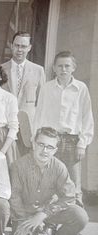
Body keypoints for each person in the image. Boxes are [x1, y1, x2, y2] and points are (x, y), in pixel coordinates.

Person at [10, 127, 89, 235]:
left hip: (47, 212)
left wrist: (42, 215)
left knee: (80, 216)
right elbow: (14, 198)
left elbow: (70, 196)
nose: (44, 150)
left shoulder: (59, 167)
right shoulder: (18, 166)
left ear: (55, 150)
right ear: (34, 144)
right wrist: (25, 223)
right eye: (41, 145)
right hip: (24, 215)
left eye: (50, 147)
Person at [34, 51, 94, 208]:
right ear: (54, 68)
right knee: (49, 178)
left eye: (67, 66)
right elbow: (39, 114)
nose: (63, 69)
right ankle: (49, 221)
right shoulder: (47, 88)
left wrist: (83, 144)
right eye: (60, 66)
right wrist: (37, 140)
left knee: (73, 182)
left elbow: (87, 117)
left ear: (73, 67)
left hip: (72, 141)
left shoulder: (81, 88)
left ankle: (75, 218)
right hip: (51, 140)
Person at [1, 31, 46, 155]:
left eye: (23, 46)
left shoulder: (38, 70)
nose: (19, 49)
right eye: (17, 45)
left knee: (27, 163)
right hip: (6, 126)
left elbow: (42, 103)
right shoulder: (1, 69)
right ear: (11, 46)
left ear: (29, 48)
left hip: (28, 127)